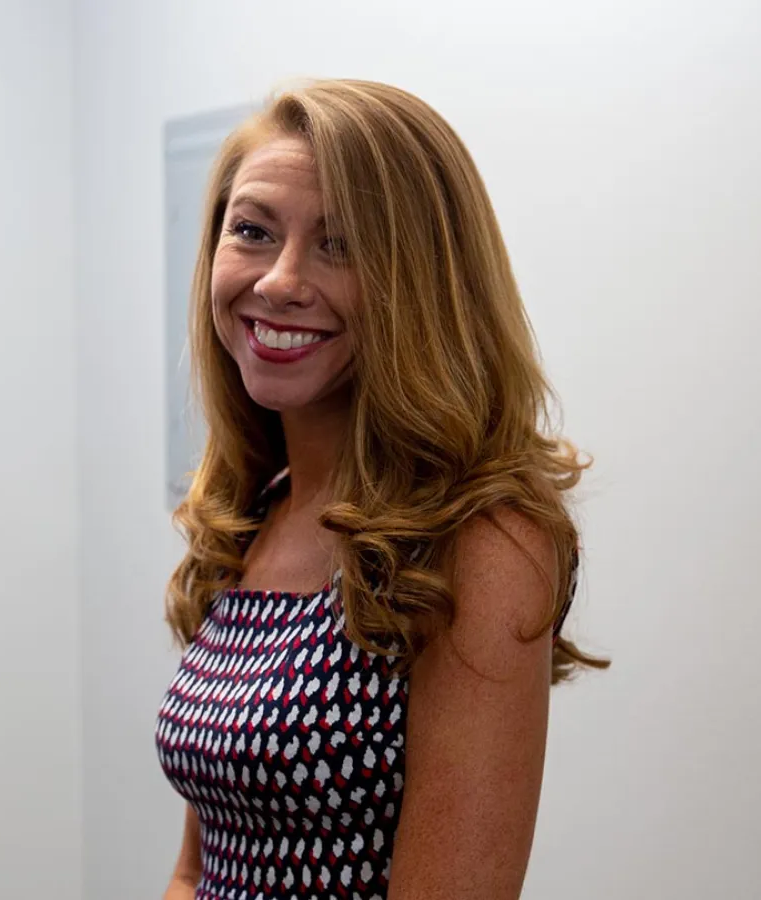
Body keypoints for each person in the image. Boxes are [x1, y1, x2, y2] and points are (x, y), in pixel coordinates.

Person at [156, 78, 608, 900]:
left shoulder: (480, 541)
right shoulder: (252, 513)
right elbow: (197, 869)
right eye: (252, 231)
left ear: (426, 283)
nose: (280, 280)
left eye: (342, 244)